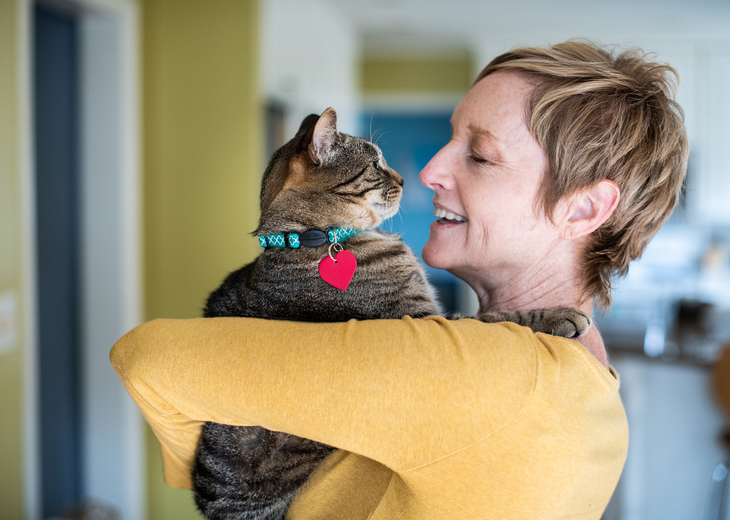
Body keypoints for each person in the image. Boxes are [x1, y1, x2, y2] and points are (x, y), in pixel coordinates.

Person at [111, 40, 688, 519]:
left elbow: (150, 358)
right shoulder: (579, 378)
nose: (431, 169)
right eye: (451, 138)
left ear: (584, 210)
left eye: (480, 156)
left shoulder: (492, 374)